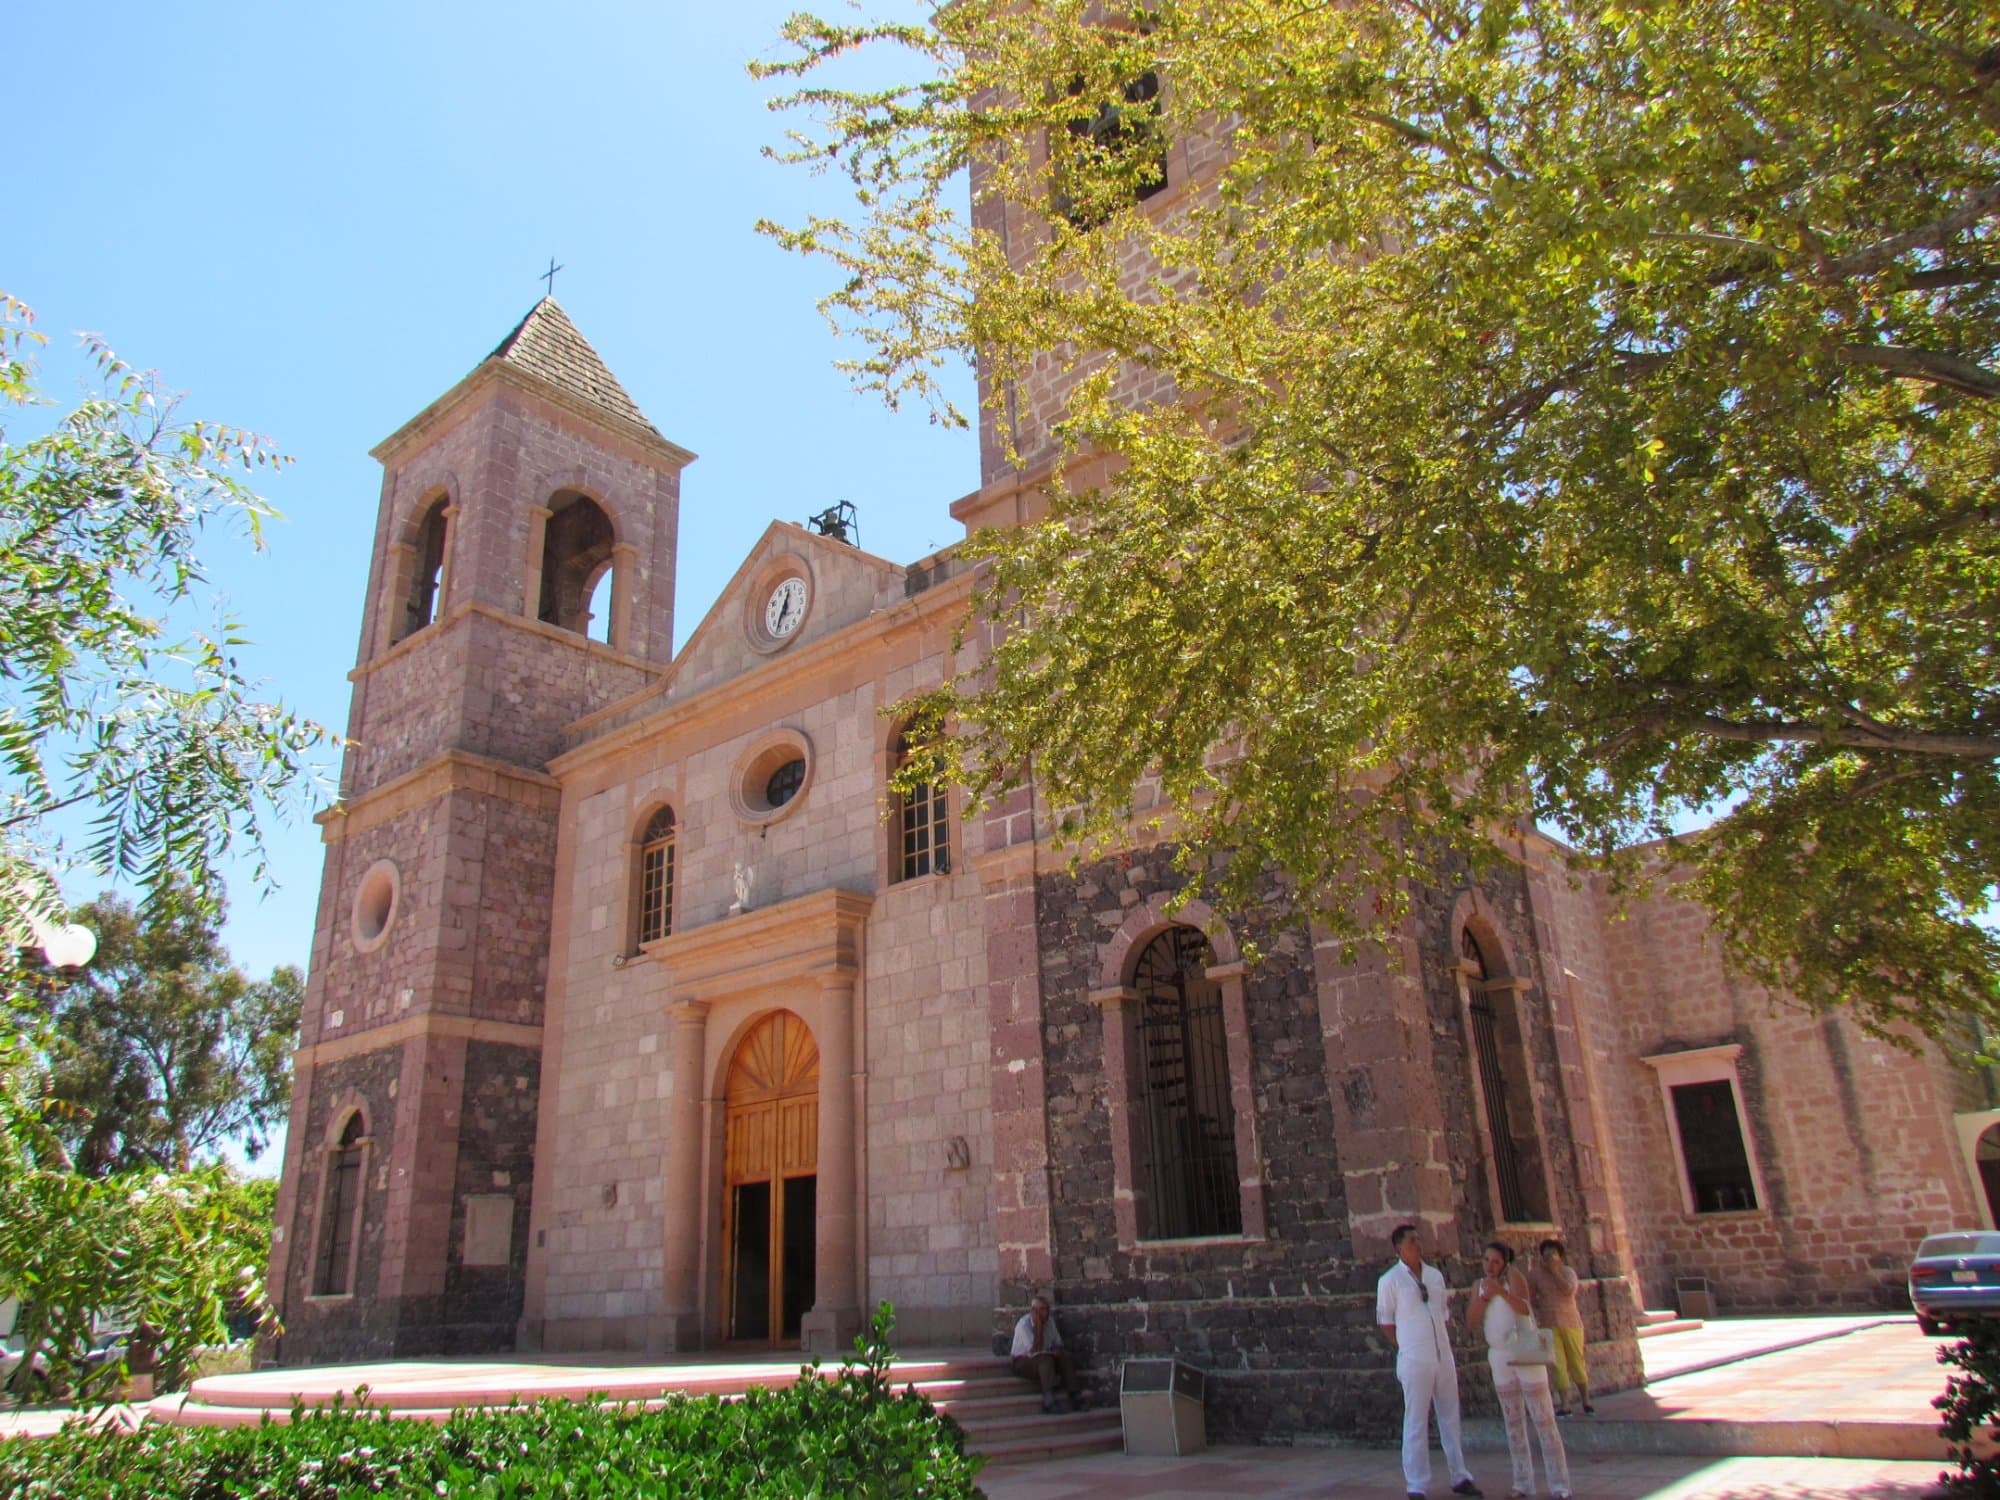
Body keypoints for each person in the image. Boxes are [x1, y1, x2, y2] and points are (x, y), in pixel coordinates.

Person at [1375, 1224, 1483, 1500]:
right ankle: (1416, 1483)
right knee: (1416, 1419)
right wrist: (1407, 1345)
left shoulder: (1434, 1276)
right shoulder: (1390, 1281)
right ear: (1399, 1247)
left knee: (1449, 1415)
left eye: (1418, 1240)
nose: (1418, 1245)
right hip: (1414, 1358)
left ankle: (1459, 1475)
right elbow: (1386, 1322)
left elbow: (1442, 1313)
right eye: (1412, 1241)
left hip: (1441, 1354)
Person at [1472, 1242, 1572, 1500]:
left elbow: (1524, 1308)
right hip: (1499, 1354)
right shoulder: (1479, 1285)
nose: (1489, 1265)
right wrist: (1485, 1298)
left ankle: (1559, 1484)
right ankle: (1522, 1482)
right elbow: (1472, 1319)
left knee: (1542, 1418)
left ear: (1505, 1262)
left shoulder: (1514, 1278)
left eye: (1495, 1261)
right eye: (1486, 1260)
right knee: (1513, 1421)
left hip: (1524, 1350)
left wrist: (1501, 1293)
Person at [1526, 1238, 1593, 1416]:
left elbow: (1569, 1290)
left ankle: (1586, 1399)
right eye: (1546, 1254)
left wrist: (1555, 1272)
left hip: (1571, 1323)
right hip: (1549, 1325)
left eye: (1553, 1253)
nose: (1549, 1257)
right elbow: (1531, 1298)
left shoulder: (1568, 1272)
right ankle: (1565, 1404)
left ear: (1560, 1256)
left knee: (1576, 1362)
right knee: (1558, 1366)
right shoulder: (1535, 1275)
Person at [1010, 1294, 1083, 1413]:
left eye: (1047, 1309)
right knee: (1045, 1359)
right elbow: (1034, 1351)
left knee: (1065, 1357)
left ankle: (1075, 1394)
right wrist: (1039, 1327)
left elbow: (1058, 1342)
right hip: (1023, 1361)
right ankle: (1048, 1400)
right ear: (1034, 1311)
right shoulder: (1024, 1325)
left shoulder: (1050, 1322)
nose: (1046, 1312)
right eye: (1043, 1309)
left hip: (1046, 1356)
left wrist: (1057, 1350)